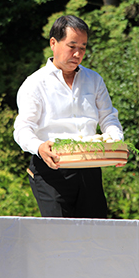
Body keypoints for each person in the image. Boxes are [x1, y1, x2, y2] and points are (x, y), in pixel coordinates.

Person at [13, 15, 123, 218]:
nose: (78, 53)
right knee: (60, 237)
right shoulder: (35, 83)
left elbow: (108, 118)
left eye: (83, 47)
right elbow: (22, 128)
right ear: (53, 43)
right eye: (72, 46)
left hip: (90, 165)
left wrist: (116, 143)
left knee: (95, 233)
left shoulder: (94, 79)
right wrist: (38, 146)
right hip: (51, 168)